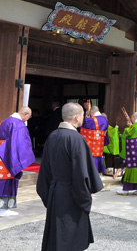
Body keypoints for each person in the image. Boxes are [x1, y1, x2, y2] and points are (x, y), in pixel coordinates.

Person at [36, 103, 103, 251]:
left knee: (56, 236)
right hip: (72, 194)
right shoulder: (76, 139)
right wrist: (85, 198)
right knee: (70, 236)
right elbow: (81, 173)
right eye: (83, 116)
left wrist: (48, 194)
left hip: (54, 192)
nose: (84, 119)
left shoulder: (52, 136)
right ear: (77, 117)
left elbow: (44, 171)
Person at [0, 107, 35, 217]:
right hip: (10, 156)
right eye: (28, 117)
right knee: (8, 181)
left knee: (3, 180)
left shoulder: (5, 121)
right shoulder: (18, 124)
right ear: (25, 114)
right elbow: (22, 143)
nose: (26, 120)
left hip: (2, 154)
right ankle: (3, 209)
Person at [113, 112, 137, 196]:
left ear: (134, 118)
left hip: (134, 152)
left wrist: (128, 126)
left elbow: (128, 133)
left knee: (132, 168)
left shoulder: (136, 126)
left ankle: (126, 189)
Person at [80, 106, 109, 174]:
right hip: (100, 145)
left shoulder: (90, 120)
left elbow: (81, 128)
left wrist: (86, 119)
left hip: (91, 145)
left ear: (92, 111)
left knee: (91, 164)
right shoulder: (105, 119)